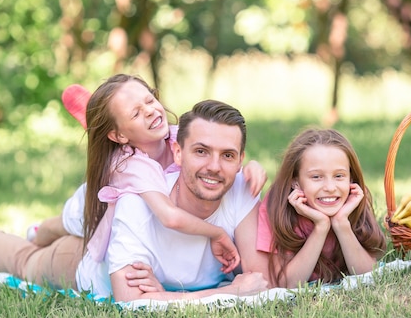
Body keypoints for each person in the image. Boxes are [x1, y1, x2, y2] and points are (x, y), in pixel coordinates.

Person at [0, 99, 268, 302]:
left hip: (107, 220)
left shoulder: (242, 189)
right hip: (88, 260)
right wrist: (227, 291)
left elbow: (259, 279)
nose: (214, 166)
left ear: (241, 160)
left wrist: (169, 296)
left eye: (227, 156)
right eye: (201, 151)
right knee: (27, 260)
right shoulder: (140, 197)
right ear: (177, 151)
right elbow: (132, 301)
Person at [28, 74, 267, 274]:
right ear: (120, 136)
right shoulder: (130, 165)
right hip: (94, 204)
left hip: (139, 188)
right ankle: (35, 236)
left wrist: (249, 167)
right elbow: (170, 217)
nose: (151, 111)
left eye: (150, 101)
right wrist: (217, 234)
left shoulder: (175, 135)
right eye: (136, 113)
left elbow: (215, 151)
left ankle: (109, 118)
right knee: (61, 226)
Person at [245, 128, 387, 288]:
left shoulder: (352, 201)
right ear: (295, 182)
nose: (330, 187)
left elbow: (369, 276)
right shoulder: (277, 207)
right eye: (316, 177)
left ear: (351, 178)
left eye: (339, 176)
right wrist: (321, 227)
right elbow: (287, 284)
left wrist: (341, 223)